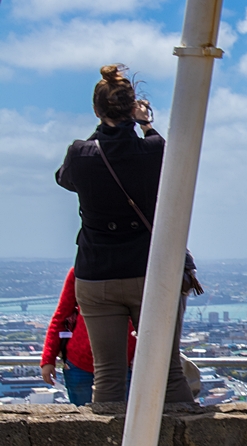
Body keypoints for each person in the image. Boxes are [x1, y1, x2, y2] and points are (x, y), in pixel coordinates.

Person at [55, 64, 194, 404]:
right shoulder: (155, 150)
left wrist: (102, 126)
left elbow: (64, 177)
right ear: (134, 109)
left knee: (108, 376)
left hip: (97, 273)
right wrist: (145, 123)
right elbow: (167, 152)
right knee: (167, 370)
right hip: (152, 271)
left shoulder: (80, 153)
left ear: (97, 110)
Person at [40, 268, 136, 405]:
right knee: (87, 420)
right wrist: (48, 359)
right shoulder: (79, 272)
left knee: (122, 419)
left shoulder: (136, 272)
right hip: (80, 364)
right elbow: (61, 316)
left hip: (122, 364)